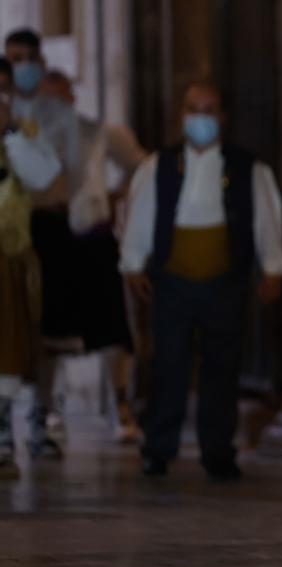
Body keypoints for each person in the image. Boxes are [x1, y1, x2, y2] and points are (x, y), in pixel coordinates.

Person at [120, 81, 282, 481]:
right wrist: (132, 263)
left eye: (209, 109)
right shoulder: (157, 166)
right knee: (169, 366)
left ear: (222, 118)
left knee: (222, 369)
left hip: (224, 283)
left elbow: (267, 219)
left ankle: (218, 450)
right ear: (182, 115)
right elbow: (140, 214)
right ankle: (158, 447)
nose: (201, 117)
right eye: (194, 108)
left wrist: (273, 267)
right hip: (173, 283)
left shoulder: (250, 170)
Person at [42, 69, 147, 443]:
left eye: (60, 96)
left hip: (94, 236)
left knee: (111, 327)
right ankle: (51, 408)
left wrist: (116, 197)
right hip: (52, 238)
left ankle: (121, 404)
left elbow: (140, 166)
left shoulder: (99, 133)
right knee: (52, 330)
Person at [5, 28, 82, 459]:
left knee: (48, 328)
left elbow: (61, 171)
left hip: (47, 225)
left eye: (29, 58)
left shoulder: (58, 113)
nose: (23, 67)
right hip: (6, 228)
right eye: (14, 59)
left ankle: (40, 417)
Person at [0, 57, 64, 476]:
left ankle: (3, 439)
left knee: (6, 350)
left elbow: (44, 175)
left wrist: (9, 134)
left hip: (6, 257)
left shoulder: (23, 134)